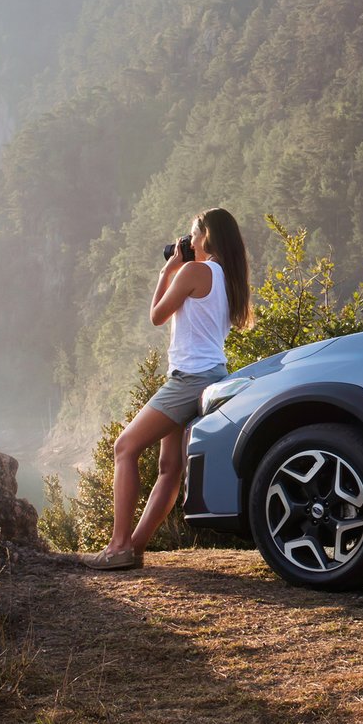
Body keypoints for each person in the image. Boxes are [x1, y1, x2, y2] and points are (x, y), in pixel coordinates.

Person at [80, 208, 254, 571]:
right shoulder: (228, 278)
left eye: (193, 234)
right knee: (169, 467)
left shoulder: (193, 271)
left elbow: (157, 315)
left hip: (189, 379)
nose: (189, 242)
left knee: (124, 447)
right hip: (212, 375)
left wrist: (167, 270)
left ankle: (117, 546)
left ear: (206, 236)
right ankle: (135, 549)